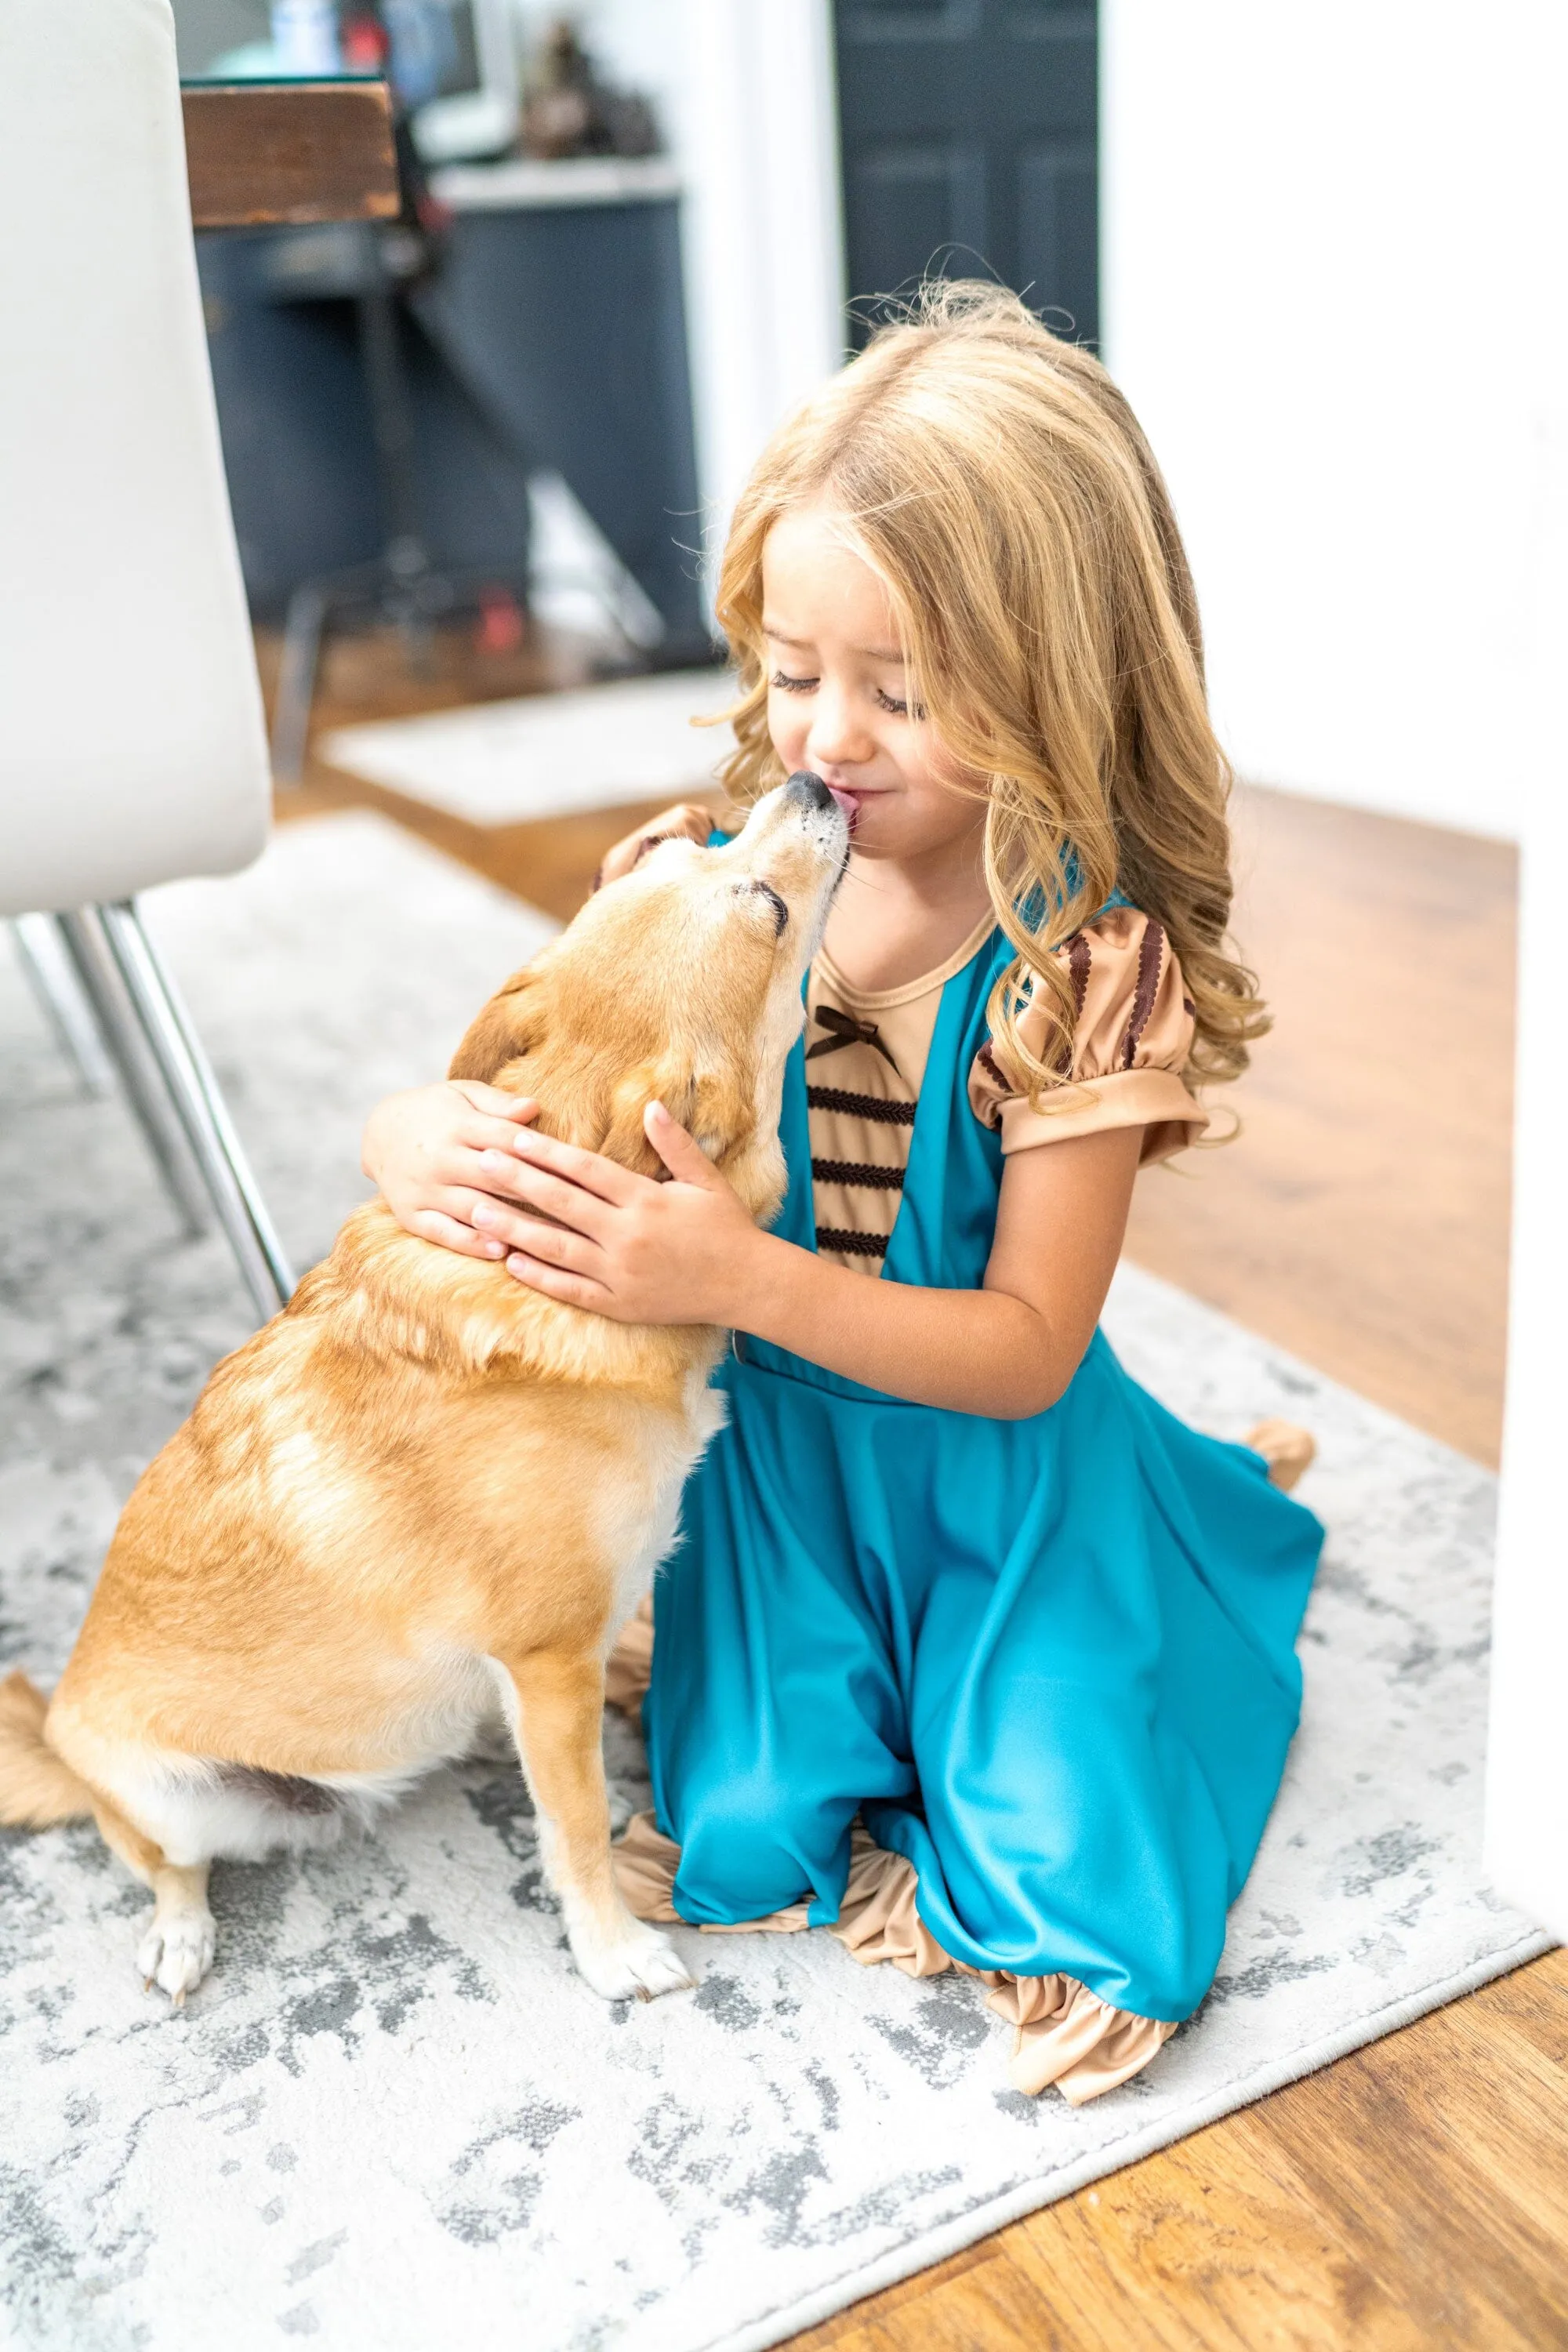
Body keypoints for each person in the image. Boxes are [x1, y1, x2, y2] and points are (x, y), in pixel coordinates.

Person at [361, 284, 1324, 2103]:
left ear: (1059, 679)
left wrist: (733, 1273)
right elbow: (534, 1071)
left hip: (998, 1495)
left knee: (1070, 1877)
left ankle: (1166, 1554)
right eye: (795, 674)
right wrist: (405, 1134)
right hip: (768, 1480)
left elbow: (1031, 1350)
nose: (824, 739)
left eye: (903, 692)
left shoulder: (1077, 967)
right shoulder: (705, 878)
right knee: (732, 1825)